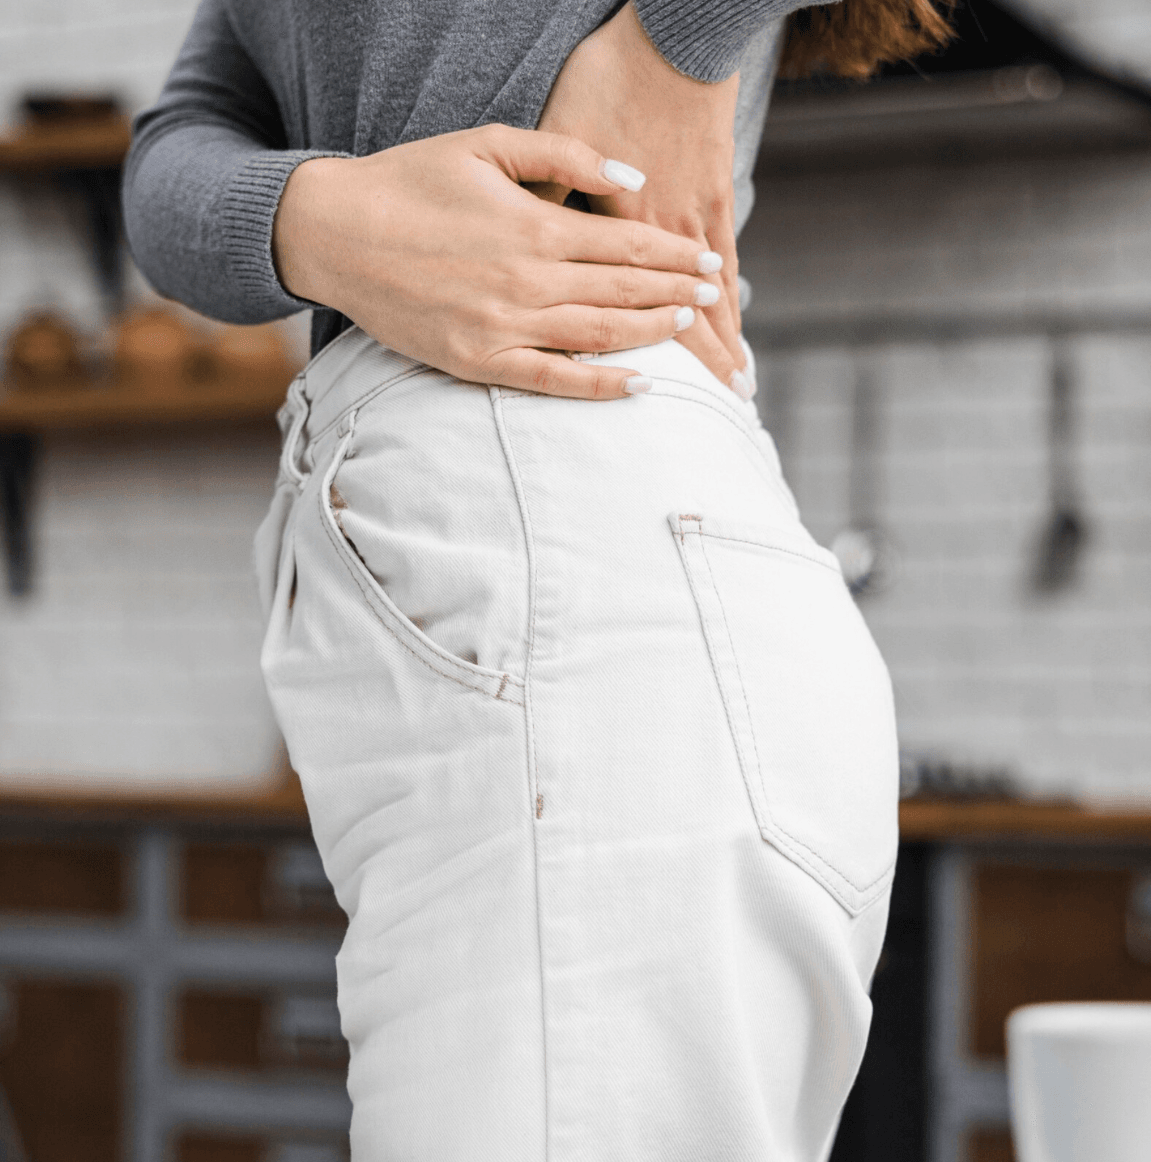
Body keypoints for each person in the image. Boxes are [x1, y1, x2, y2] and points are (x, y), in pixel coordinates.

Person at [123, 2, 951, 1159]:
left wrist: (671, 41)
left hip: (572, 529)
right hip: (563, 554)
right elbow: (173, 148)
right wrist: (322, 220)